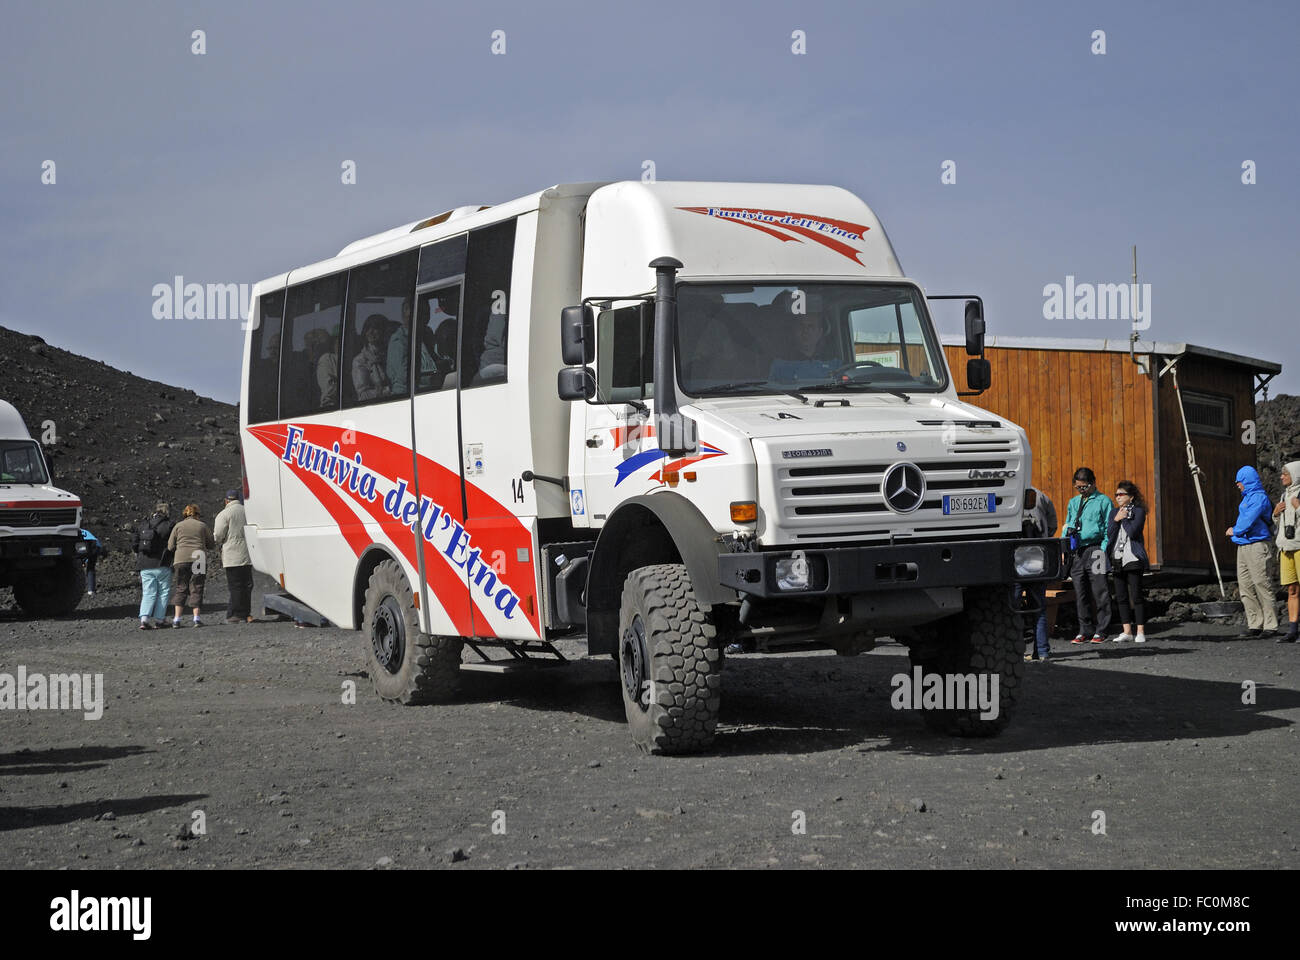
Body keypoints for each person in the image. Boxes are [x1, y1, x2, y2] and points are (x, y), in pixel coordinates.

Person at [1061, 466, 1114, 643]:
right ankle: (1084, 629)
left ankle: (1102, 629)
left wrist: (1104, 549)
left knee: (1100, 590)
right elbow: (1067, 523)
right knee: (1080, 591)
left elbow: (1109, 529)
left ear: (1093, 483)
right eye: (1078, 487)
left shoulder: (1103, 501)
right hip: (1077, 551)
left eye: (1085, 487)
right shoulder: (1073, 502)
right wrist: (1065, 543)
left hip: (1095, 548)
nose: (1082, 490)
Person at [1227, 465, 1278, 637]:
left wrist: (1235, 530)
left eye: (1239, 480)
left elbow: (1248, 520)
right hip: (1244, 545)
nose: (1237, 484)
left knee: (1261, 583)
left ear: (1247, 480)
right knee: (1246, 586)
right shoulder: (1247, 498)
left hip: (1257, 545)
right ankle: (1255, 623)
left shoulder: (1259, 498)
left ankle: (1270, 625)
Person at [1108, 480, 1150, 642]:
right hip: (1117, 557)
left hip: (1132, 557)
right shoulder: (1113, 512)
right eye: (1116, 495)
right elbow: (1110, 534)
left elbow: (1133, 532)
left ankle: (1140, 631)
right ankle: (1127, 631)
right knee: (1120, 596)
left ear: (1131, 497)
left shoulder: (1139, 511)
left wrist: (1124, 518)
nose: (1117, 497)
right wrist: (1116, 519)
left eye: (1121, 494)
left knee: (1137, 595)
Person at [1020, 485, 1057, 662]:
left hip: (1014, 557)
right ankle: (1042, 652)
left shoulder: (1009, 492)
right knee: (1039, 608)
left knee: (1013, 607)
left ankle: (1015, 651)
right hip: (1037, 557)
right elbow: (1052, 525)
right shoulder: (1042, 495)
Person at [167, 503, 215, 627]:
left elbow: (170, 546)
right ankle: (196, 618)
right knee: (197, 587)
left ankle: (176, 620)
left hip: (181, 559)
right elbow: (211, 544)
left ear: (185, 514)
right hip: (199, 557)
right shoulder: (202, 525)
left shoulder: (178, 526)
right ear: (197, 514)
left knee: (181, 587)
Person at [214, 489, 254, 624]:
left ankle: (237, 615)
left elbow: (218, 536)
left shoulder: (224, 514)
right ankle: (246, 613)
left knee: (235, 586)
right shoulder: (248, 511)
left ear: (226, 500)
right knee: (247, 585)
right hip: (248, 554)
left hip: (232, 555)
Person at [132, 502, 174, 629]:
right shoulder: (169, 525)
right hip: (162, 563)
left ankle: (144, 619)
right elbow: (174, 544)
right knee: (163, 592)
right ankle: (159, 620)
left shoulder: (144, 524)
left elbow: (134, 543)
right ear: (167, 512)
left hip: (144, 564)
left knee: (148, 592)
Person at [1272, 459, 1300, 643]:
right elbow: (1278, 525)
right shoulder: (1284, 496)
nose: (1281, 476)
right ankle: (1292, 630)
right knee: (1292, 589)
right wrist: (1275, 513)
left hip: (1299, 545)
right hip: (1286, 547)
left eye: (1285, 474)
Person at [769, 312, 834, 382]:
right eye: (801, 326)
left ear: (819, 333)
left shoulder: (833, 362)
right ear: (794, 331)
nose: (805, 331)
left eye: (811, 326)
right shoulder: (780, 365)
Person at [351, 314, 392, 401]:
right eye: (368, 329)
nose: (370, 332)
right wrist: (389, 391)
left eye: (375, 328)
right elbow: (363, 395)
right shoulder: (359, 361)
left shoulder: (392, 353)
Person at [78, 527, 102, 595]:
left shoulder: (72, 532)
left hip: (89, 546)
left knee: (89, 568)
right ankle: (91, 590)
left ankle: (89, 589)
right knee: (90, 568)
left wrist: (83, 561)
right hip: (95, 545)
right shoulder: (83, 531)